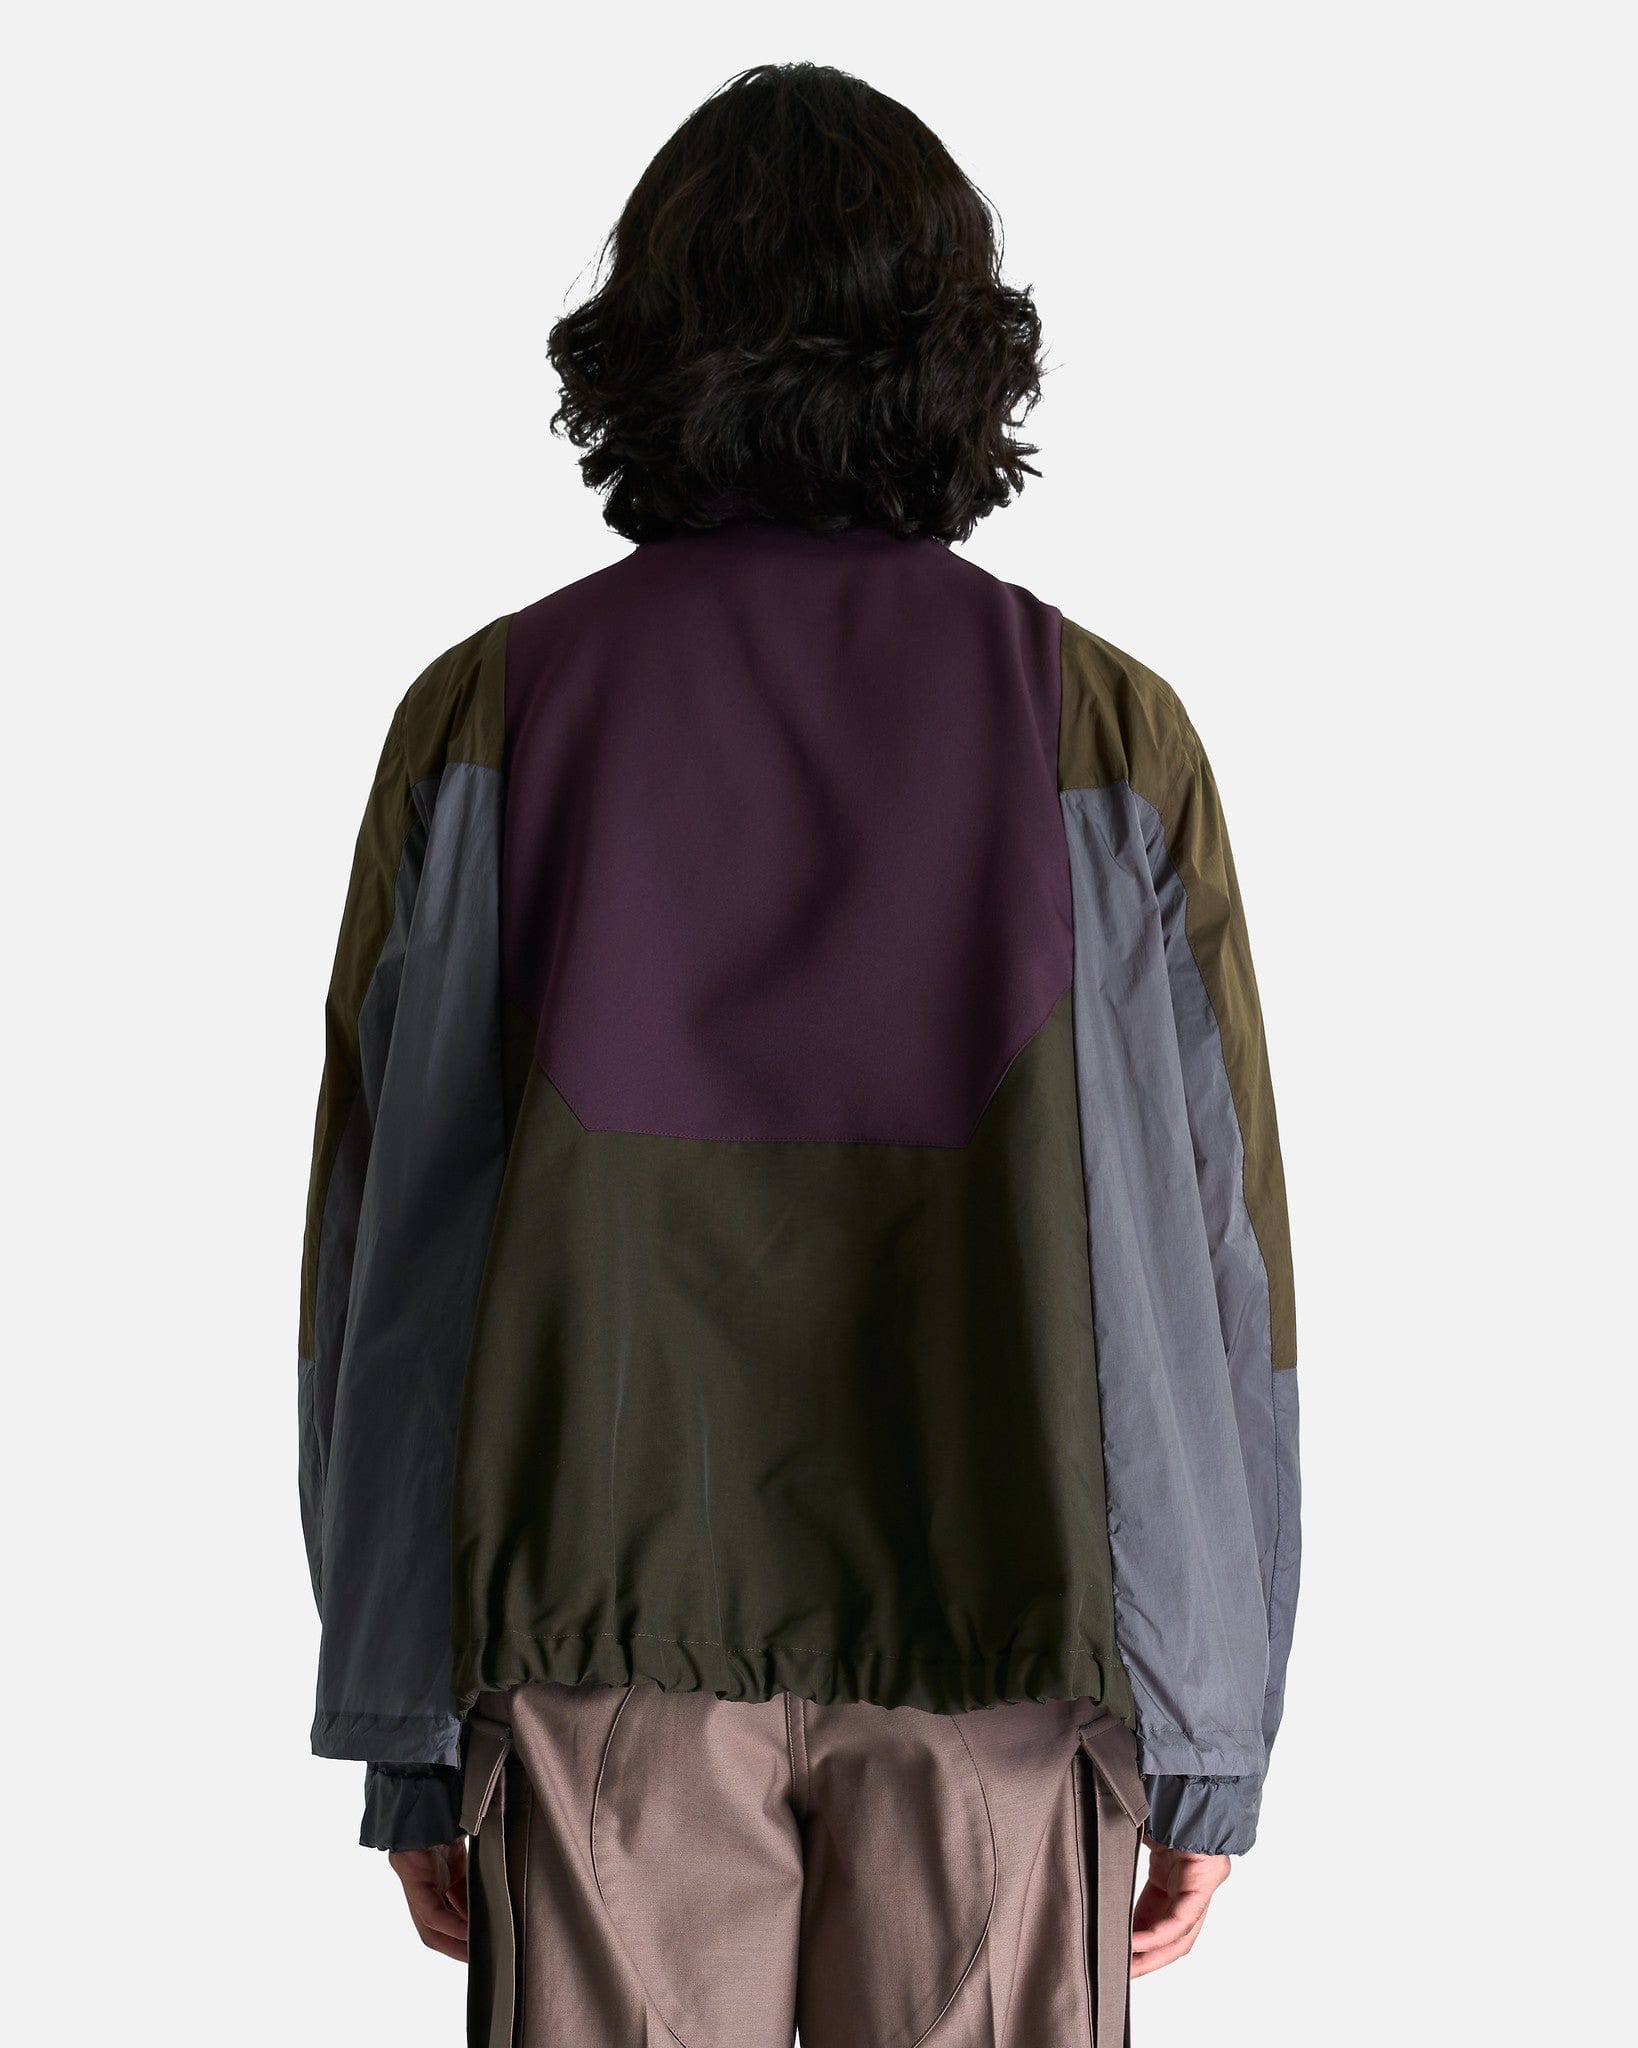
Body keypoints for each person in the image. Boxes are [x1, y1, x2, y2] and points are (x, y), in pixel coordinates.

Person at [297, 61, 1300, 2048]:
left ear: (646, 342)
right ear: (958, 350)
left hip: (589, 1630)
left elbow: (389, 1252)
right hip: (1011, 1627)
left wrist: (407, 1716)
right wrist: (1209, 1724)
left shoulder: (492, 712)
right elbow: (1215, 1266)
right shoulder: (1101, 724)